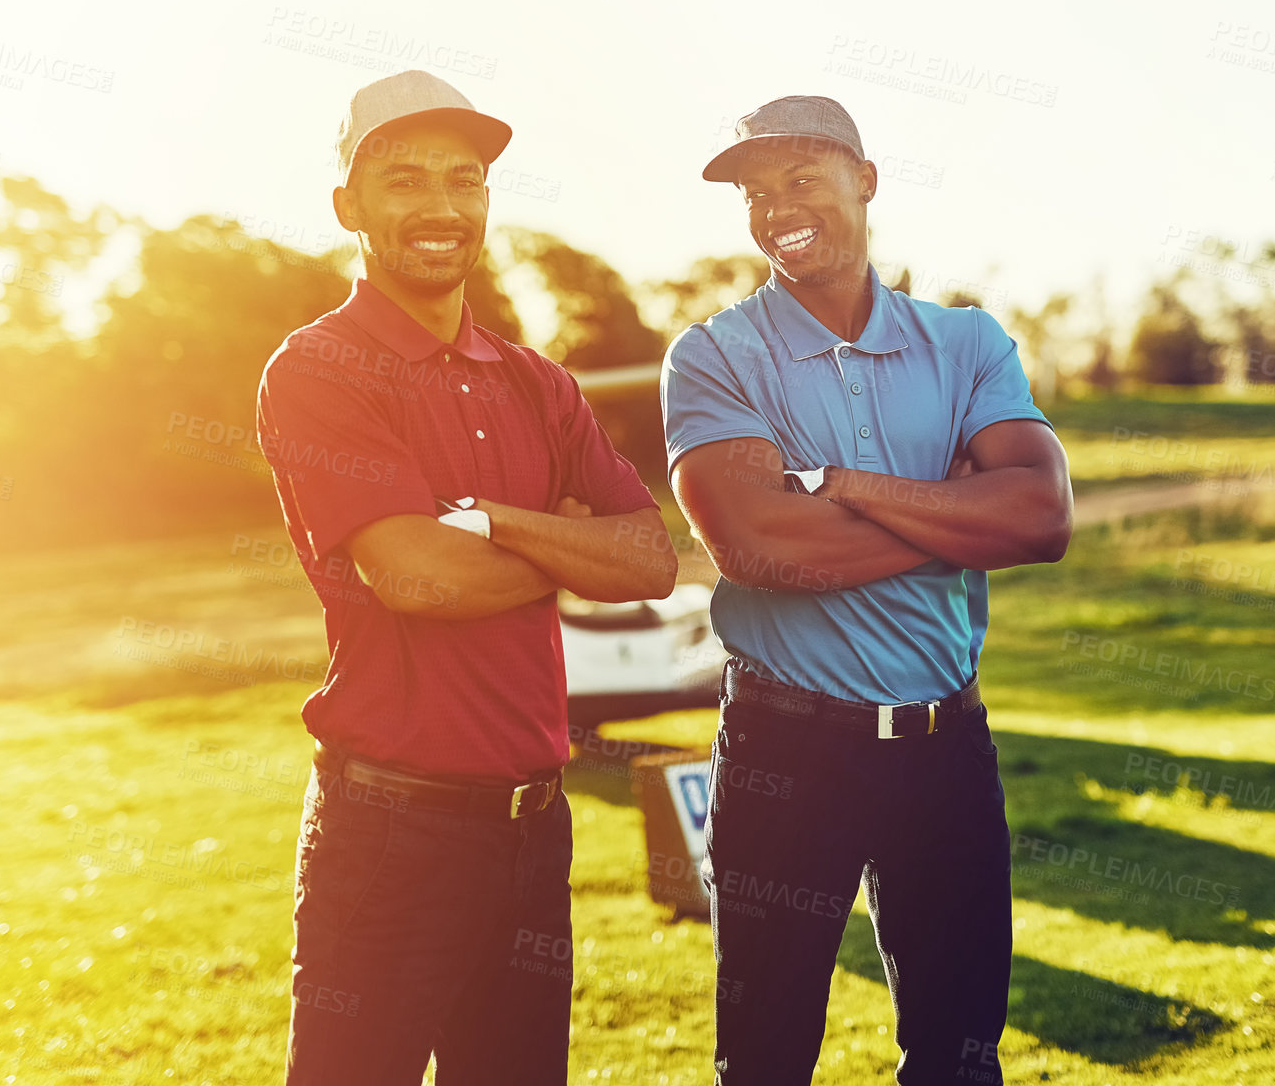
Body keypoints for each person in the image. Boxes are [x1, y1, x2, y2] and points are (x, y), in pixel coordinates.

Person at [256, 69, 676, 1085]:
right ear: (348, 206)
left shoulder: (538, 383)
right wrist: (570, 543)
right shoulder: (318, 369)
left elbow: (652, 558)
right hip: (389, 833)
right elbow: (418, 579)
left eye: (467, 179)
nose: (442, 208)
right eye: (404, 181)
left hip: (535, 828)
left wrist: (491, 522)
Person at [660, 95, 1073, 1086]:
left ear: (865, 180)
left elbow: (1039, 517)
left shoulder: (968, 343)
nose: (777, 208)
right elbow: (759, 544)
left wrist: (843, 486)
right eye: (757, 193)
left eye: (801, 178)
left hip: (944, 748)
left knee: (960, 1056)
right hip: (783, 748)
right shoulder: (714, 355)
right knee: (763, 1061)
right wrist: (954, 514)